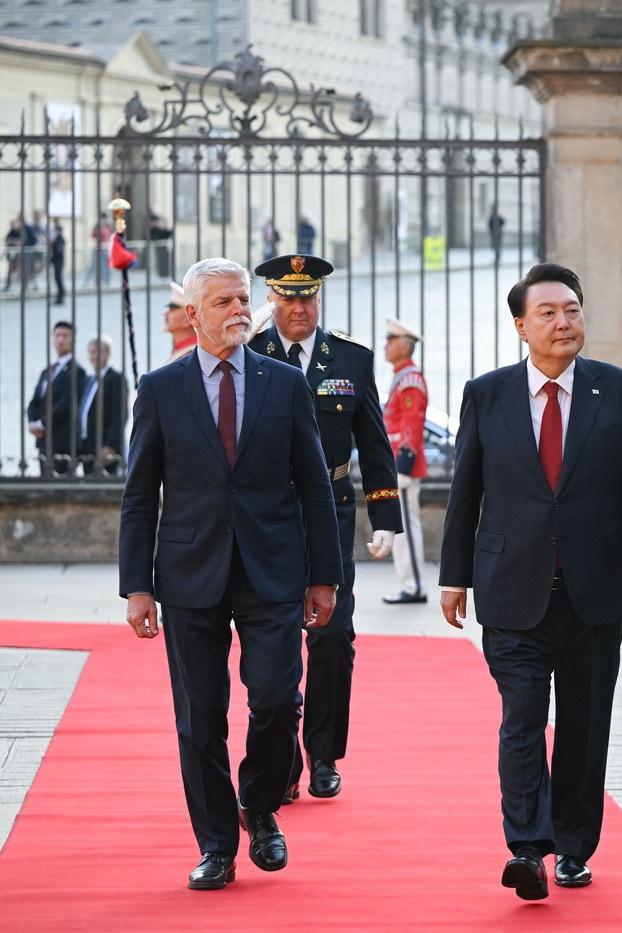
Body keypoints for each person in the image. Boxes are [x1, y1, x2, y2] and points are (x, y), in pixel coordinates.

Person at [438, 262, 622, 900]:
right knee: (521, 719)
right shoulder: (487, 394)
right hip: (513, 589)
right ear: (521, 326)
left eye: (571, 310)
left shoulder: (617, 390)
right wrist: (454, 577)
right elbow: (467, 492)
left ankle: (572, 846)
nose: (563, 322)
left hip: (596, 593)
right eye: (548, 313)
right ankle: (527, 849)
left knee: (583, 727)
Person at [118, 257, 341, 890]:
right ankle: (217, 844)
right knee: (201, 716)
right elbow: (140, 494)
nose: (240, 310)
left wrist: (324, 575)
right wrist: (137, 584)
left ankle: (259, 803)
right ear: (194, 316)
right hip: (189, 574)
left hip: (272, 570)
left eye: (243, 299)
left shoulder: (283, 382)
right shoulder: (160, 389)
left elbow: (313, 485)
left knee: (275, 698)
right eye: (223, 303)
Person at [251, 253, 402, 802]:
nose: (299, 308)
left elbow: (376, 447)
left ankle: (323, 754)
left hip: (331, 509)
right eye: (288, 298)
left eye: (308, 297)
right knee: (275, 632)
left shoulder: (352, 359)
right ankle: (283, 759)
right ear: (272, 300)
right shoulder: (251, 354)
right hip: (267, 512)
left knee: (333, 634)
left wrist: (385, 517)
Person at [382, 318, 429, 603]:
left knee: (406, 530)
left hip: (404, 466)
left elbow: (412, 423)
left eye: (390, 341)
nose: (386, 346)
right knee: (402, 530)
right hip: (398, 463)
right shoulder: (402, 376)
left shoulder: (410, 379)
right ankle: (410, 584)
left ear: (403, 346)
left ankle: (415, 587)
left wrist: (404, 463)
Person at [26, 320, 87, 476]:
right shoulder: (47, 371)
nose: (61, 339)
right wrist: (32, 422)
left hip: (63, 442)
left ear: (73, 340)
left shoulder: (77, 371)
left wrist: (43, 424)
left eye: (65, 336)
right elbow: (35, 401)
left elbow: (67, 403)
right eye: (58, 335)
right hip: (44, 440)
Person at [78, 335, 128, 476]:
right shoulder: (89, 380)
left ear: (107, 353)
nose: (94, 356)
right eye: (92, 352)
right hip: (87, 446)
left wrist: (110, 445)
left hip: (106, 448)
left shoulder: (116, 378)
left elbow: (120, 414)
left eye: (98, 352)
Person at [166, 281, 199, 361]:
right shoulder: (185, 351)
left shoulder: (190, 355)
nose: (165, 313)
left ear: (188, 319)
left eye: (172, 309)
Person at [88, 218, 111, 285]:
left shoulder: (106, 228)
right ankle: (98, 280)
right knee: (95, 265)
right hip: (98, 248)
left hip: (104, 248)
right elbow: (93, 235)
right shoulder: (98, 228)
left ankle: (106, 281)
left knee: (105, 266)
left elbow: (105, 237)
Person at [49, 220, 65, 304]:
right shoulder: (57, 239)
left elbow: (59, 251)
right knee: (57, 278)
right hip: (56, 261)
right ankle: (59, 296)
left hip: (59, 261)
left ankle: (61, 297)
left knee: (58, 279)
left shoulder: (60, 239)